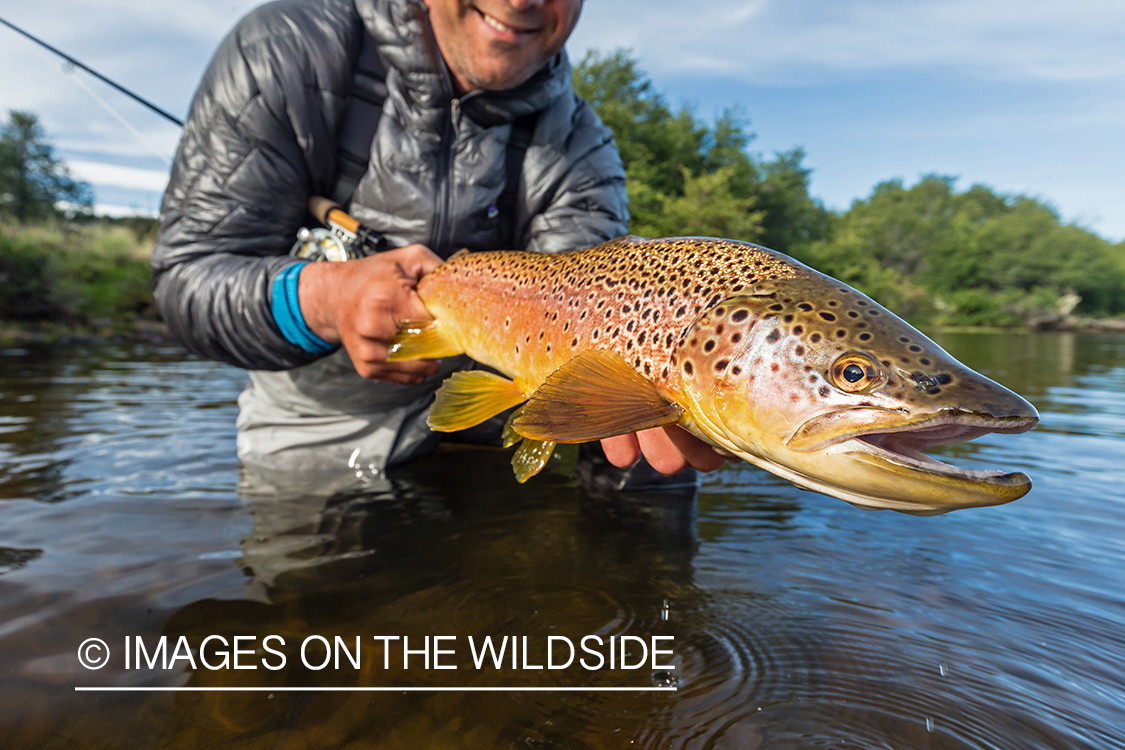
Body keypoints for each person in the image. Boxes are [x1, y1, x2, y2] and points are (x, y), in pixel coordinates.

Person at [152, 0, 726, 485]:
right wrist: (324, 299)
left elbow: (578, 307)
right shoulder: (285, 52)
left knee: (651, 449)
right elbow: (187, 279)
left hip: (497, 397)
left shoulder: (581, 144)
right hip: (323, 409)